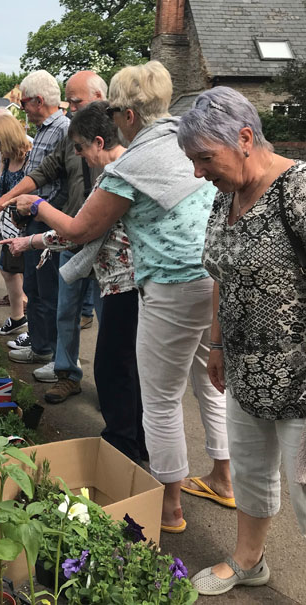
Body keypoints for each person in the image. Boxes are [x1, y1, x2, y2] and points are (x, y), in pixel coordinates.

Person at [10, 61, 232, 533]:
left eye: (112, 110)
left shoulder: (132, 163)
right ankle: (222, 477)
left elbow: (82, 229)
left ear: (127, 115)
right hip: (210, 278)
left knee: (161, 398)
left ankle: (168, 509)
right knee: (206, 383)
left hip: (168, 285)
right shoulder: (185, 139)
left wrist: (38, 206)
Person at [177, 87, 306, 595]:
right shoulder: (225, 193)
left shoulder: (297, 190)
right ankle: (249, 561)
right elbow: (222, 275)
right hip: (246, 365)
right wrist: (217, 344)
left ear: (246, 138)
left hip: (301, 375)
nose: (197, 172)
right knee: (251, 473)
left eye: (204, 158)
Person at [1, 101, 148, 463]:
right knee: (121, 367)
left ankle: (124, 450)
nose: (79, 156)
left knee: (118, 368)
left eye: (80, 148)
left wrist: (37, 207)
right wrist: (32, 241)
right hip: (121, 281)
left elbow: (80, 230)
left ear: (98, 142)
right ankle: (133, 441)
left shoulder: (117, 174)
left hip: (126, 285)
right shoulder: (116, 170)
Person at [0, 71, 106, 401]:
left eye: (75, 100)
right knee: (63, 303)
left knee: (103, 317)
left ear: (100, 97)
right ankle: (64, 370)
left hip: (98, 235)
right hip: (69, 229)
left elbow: (57, 187)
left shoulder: (102, 135)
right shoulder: (70, 133)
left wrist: (40, 213)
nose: (69, 106)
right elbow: (45, 171)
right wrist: (5, 200)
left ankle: (112, 393)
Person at [0, 112, 32, 336]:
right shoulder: (5, 158)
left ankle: (30, 327)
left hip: (27, 224)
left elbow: (31, 193)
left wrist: (1, 204)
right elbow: (2, 192)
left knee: (28, 276)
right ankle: (17, 317)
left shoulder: (30, 158)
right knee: (7, 269)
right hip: (9, 224)